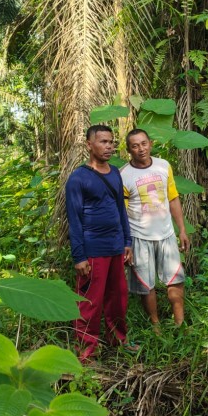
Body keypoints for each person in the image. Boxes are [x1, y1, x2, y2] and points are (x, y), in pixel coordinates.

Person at [65, 124, 136, 362]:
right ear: (89, 144)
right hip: (93, 250)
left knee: (118, 299)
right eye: (103, 142)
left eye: (111, 142)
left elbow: (120, 209)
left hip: (116, 247)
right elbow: (74, 219)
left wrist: (127, 241)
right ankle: (86, 353)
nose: (109, 146)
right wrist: (79, 256)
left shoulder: (115, 172)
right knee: (90, 303)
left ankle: (119, 340)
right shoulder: (78, 178)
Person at [120, 129, 191, 329]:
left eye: (144, 144)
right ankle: (155, 326)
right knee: (146, 285)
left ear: (151, 144)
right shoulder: (123, 175)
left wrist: (182, 230)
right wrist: (125, 243)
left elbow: (173, 198)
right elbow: (121, 213)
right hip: (139, 237)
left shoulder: (163, 166)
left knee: (175, 279)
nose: (141, 149)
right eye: (135, 146)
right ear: (129, 150)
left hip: (166, 234)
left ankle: (180, 323)